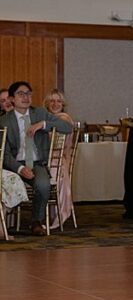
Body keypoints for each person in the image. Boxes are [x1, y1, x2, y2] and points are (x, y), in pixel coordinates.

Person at [0, 82, 73, 235]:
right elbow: (4, 153)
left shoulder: (39, 113)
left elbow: (67, 128)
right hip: (15, 165)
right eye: (21, 94)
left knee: (43, 184)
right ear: (12, 99)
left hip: (37, 163)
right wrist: (20, 168)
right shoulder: (4, 121)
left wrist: (43, 124)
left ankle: (36, 222)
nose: (26, 97)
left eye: (28, 93)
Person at [44, 89, 75, 227]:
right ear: (47, 103)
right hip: (48, 158)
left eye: (58, 101)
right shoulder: (46, 118)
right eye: (52, 101)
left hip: (57, 160)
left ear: (63, 104)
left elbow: (55, 143)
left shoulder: (64, 119)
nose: (55, 104)